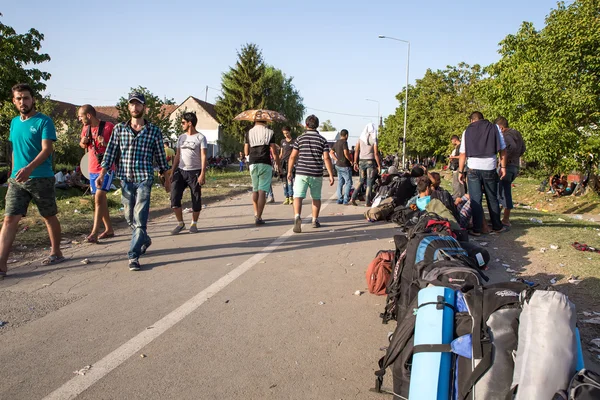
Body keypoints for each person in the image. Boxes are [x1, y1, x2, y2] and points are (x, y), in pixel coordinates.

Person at [95, 92, 170, 271]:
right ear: (128, 107)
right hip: (126, 178)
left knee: (140, 217)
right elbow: (110, 152)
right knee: (129, 216)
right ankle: (144, 238)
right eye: (132, 104)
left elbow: (161, 157)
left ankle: (133, 255)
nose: (135, 108)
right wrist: (102, 174)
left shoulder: (154, 131)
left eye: (138, 104)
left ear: (144, 107)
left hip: (144, 178)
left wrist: (167, 179)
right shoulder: (119, 129)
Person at [0, 83, 64, 279]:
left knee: (48, 216)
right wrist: (12, 174)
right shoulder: (14, 123)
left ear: (33, 99)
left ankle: (56, 252)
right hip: (17, 180)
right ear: (14, 101)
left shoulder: (44, 121)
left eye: (26, 98)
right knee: (10, 218)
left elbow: (47, 150)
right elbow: (15, 151)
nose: (22, 102)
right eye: (18, 98)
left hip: (41, 177)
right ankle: (1, 266)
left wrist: (29, 168)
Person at [458, 111, 507, 235]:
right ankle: (497, 226)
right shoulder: (495, 128)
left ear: (472, 120)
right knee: (492, 198)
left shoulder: (467, 131)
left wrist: (460, 171)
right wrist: (503, 167)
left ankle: (477, 229)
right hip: (490, 167)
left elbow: (462, 154)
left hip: (473, 168)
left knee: (476, 200)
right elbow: (502, 149)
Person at [288, 115, 334, 233]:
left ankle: (297, 216)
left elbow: (293, 156)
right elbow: (326, 158)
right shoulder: (322, 140)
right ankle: (314, 219)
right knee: (316, 197)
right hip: (316, 172)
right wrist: (330, 174)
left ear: (306, 124)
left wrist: (289, 171)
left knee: (297, 196)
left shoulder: (299, 139)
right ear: (317, 125)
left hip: (301, 171)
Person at [78, 104, 116, 242]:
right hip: (92, 168)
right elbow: (83, 145)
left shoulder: (108, 127)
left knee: (98, 198)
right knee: (101, 200)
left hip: (106, 167)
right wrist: (83, 142)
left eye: (81, 116)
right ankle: (109, 229)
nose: (79, 119)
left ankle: (94, 232)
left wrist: (104, 143)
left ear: (89, 115)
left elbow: (117, 147)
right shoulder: (85, 128)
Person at [169, 112, 208, 234]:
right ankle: (180, 223)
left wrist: (202, 173)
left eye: (183, 122)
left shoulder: (200, 138)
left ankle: (194, 223)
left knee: (196, 198)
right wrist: (172, 171)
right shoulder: (181, 137)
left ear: (189, 123)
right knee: (174, 198)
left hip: (194, 172)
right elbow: (177, 155)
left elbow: (203, 156)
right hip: (181, 171)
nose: (181, 125)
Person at [244, 119, 281, 225]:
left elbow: (246, 151)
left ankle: (256, 213)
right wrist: (278, 165)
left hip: (253, 163)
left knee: (255, 190)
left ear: (254, 121)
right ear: (265, 121)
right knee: (262, 191)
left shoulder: (249, 133)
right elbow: (274, 151)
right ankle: (259, 217)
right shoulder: (270, 132)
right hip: (265, 162)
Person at [495, 116, 525, 227]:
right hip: (515, 166)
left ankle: (505, 219)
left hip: (507, 166)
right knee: (505, 190)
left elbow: (510, 147)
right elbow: (523, 148)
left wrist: (504, 160)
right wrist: (516, 158)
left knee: (502, 192)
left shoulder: (506, 135)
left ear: (501, 127)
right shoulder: (517, 133)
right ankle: (501, 217)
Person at [350, 122, 381, 206]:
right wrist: (379, 165)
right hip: (370, 162)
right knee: (369, 182)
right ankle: (367, 201)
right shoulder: (374, 139)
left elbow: (356, 151)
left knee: (361, 181)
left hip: (361, 161)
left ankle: (353, 198)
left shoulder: (360, 138)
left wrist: (355, 162)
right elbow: (376, 153)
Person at [330, 128, 353, 204]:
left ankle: (339, 199)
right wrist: (350, 160)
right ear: (346, 135)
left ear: (340, 135)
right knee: (348, 182)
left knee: (340, 182)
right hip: (345, 165)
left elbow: (331, 152)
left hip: (338, 165)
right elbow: (346, 153)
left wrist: (336, 159)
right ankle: (345, 199)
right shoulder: (344, 142)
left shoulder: (336, 142)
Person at [279, 126, 295, 205]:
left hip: (291, 163)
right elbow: (281, 153)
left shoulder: (294, 142)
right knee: (284, 181)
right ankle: (286, 197)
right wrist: (278, 162)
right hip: (283, 163)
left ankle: (291, 196)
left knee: (290, 180)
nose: (286, 135)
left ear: (290, 132)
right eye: (284, 133)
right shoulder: (282, 141)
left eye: (287, 133)